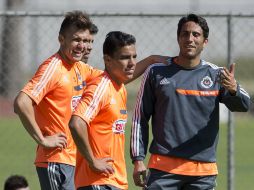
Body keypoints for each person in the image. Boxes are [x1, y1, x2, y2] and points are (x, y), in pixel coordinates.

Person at [13, 10, 167, 190]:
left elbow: (118, 76)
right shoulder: (53, 68)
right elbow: (21, 103)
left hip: (73, 159)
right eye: (77, 39)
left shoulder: (79, 67)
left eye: (87, 41)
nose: (82, 46)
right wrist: (43, 139)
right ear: (61, 39)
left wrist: (152, 60)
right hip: (56, 159)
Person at [130, 13, 251, 190]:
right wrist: (138, 159)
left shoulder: (216, 74)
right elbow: (139, 118)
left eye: (196, 34)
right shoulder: (156, 72)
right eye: (185, 34)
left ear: (205, 41)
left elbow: (244, 105)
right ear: (178, 38)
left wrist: (233, 89)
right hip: (162, 170)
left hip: (202, 173)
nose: (190, 39)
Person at [69, 31, 141, 190]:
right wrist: (93, 161)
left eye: (134, 57)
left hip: (114, 181)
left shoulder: (120, 88)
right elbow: (76, 123)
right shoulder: (100, 88)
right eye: (124, 58)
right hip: (98, 182)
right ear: (108, 60)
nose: (132, 63)